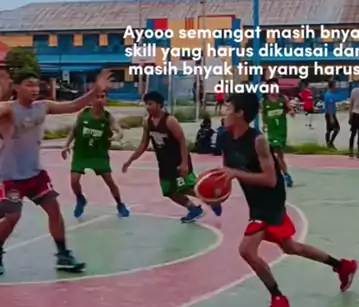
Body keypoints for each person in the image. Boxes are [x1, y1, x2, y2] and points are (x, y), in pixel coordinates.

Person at [217, 92, 358, 307]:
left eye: (228, 108)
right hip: (255, 200)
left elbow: (270, 179)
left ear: (240, 113)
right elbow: (228, 172)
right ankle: (342, 266)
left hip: (271, 199)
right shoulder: (223, 137)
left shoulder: (258, 141)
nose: (223, 111)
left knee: (246, 250)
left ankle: (278, 299)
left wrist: (234, 174)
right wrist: (218, 193)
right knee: (290, 247)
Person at [0, 67, 111, 276]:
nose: (34, 89)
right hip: (10, 176)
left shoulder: (43, 106)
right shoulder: (8, 109)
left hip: (35, 173)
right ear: (16, 87)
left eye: (36, 85)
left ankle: (63, 255)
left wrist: (95, 90)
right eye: (28, 85)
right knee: (13, 216)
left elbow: (74, 106)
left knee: (54, 209)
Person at [122, 91, 222, 222]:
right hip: (164, 164)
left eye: (150, 104)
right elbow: (143, 144)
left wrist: (184, 163)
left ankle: (211, 201)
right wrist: (130, 160)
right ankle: (193, 209)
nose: (147, 107)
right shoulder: (147, 122)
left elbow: (182, 141)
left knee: (187, 188)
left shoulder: (170, 121)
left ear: (159, 105)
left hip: (178, 161)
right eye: (146, 104)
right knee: (169, 191)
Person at [61, 89, 130, 219]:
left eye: (102, 97)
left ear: (106, 99)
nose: (99, 100)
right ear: (91, 99)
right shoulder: (84, 114)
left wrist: (118, 135)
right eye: (96, 97)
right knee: (74, 180)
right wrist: (66, 145)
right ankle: (80, 199)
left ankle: (120, 204)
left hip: (99, 154)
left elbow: (118, 130)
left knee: (109, 181)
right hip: (81, 153)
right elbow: (74, 130)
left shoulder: (107, 117)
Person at [262, 79, 293, 187]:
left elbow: (289, 109)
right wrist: (264, 125)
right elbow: (264, 115)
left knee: (280, 155)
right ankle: (282, 175)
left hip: (282, 131)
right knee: (275, 152)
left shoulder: (282, 99)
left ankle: (284, 174)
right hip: (272, 132)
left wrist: (291, 111)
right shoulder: (264, 101)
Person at [324, 79, 340, 149]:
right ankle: (330, 143)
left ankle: (328, 144)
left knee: (329, 129)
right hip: (330, 114)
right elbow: (330, 107)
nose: (336, 86)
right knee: (337, 129)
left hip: (329, 114)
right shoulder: (329, 95)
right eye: (335, 85)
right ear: (333, 86)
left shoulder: (329, 94)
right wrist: (331, 118)